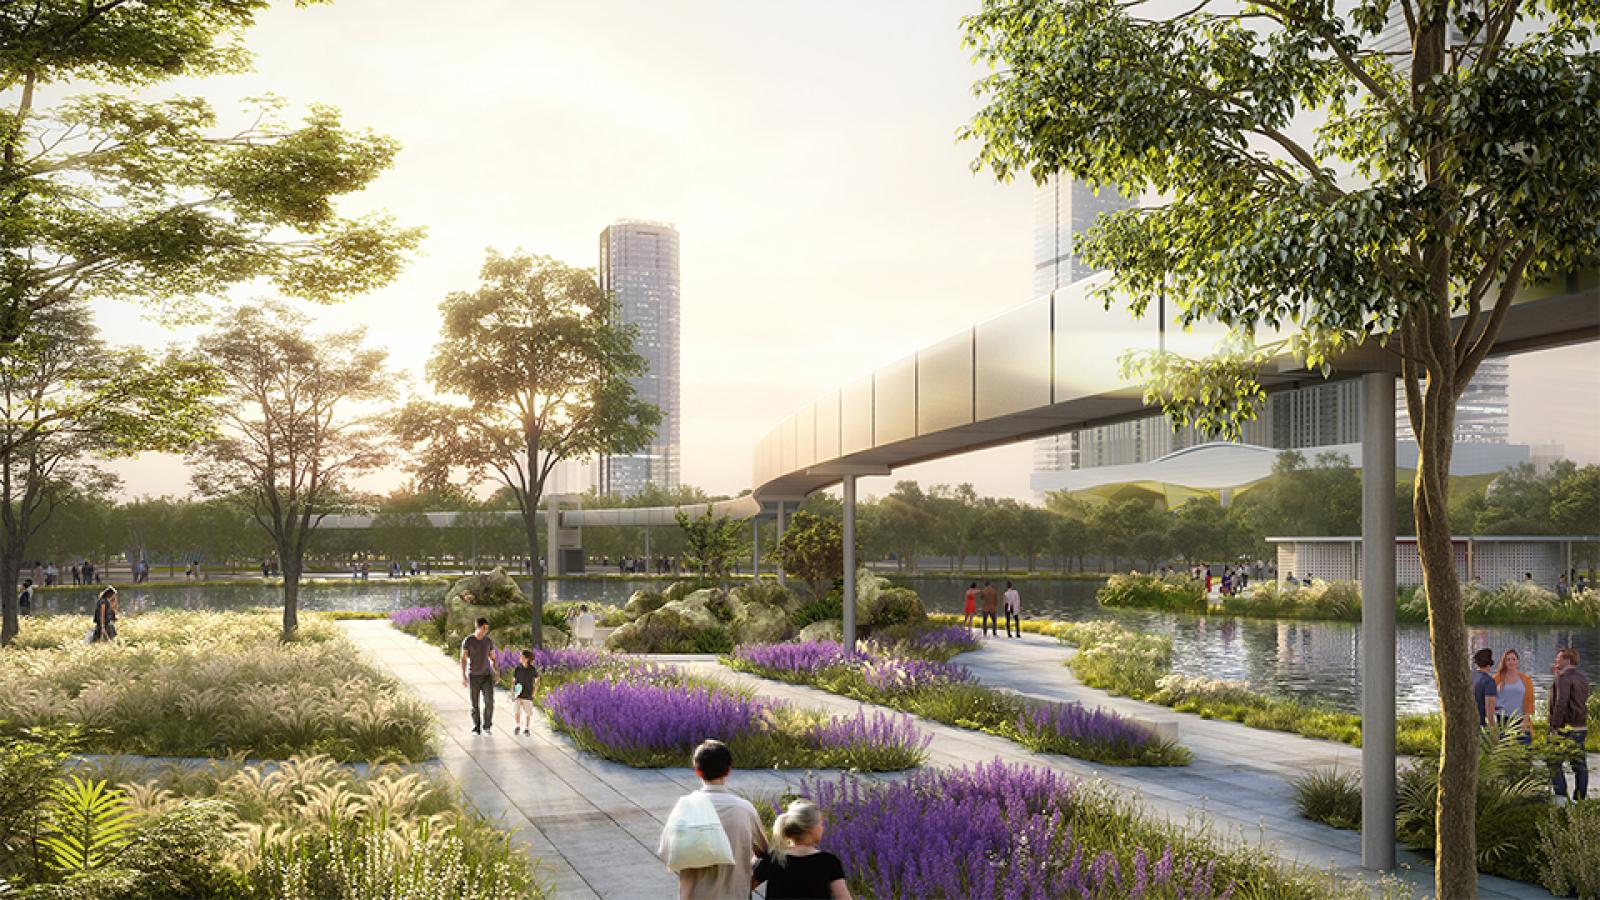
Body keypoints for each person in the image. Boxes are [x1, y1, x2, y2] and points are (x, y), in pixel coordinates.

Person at [658, 739, 766, 899]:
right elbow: (765, 850)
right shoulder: (745, 809)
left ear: (697, 771)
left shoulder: (685, 807)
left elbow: (666, 853)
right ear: (728, 771)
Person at [754, 799, 851, 900]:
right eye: (821, 824)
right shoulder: (828, 862)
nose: (822, 828)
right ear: (811, 829)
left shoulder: (774, 858)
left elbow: (744, 888)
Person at [1550, 647, 1590, 803]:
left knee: (1553, 762)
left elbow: (1561, 702)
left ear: (1567, 660)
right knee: (1580, 765)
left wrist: (1554, 726)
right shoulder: (1583, 678)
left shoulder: (1564, 678)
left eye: (1559, 658)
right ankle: (1580, 800)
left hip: (1565, 728)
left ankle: (1561, 799)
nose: (1556, 660)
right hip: (1581, 727)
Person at [460, 617, 499, 734]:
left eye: (487, 629)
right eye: (483, 628)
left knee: (489, 702)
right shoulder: (468, 641)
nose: (485, 631)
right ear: (477, 627)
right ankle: (476, 727)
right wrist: (463, 675)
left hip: (487, 676)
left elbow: (493, 658)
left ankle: (487, 726)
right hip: (474, 676)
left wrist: (496, 671)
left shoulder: (488, 641)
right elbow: (463, 659)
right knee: (474, 704)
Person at [1492, 648, 1534, 744]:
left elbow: (1530, 701)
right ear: (1504, 661)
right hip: (1501, 719)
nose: (1511, 662)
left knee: (1524, 747)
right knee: (1504, 750)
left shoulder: (1526, 680)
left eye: (1514, 659)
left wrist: (1525, 719)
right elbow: (1490, 700)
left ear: (1518, 661)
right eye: (1508, 659)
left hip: (1520, 718)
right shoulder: (1496, 679)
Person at [512, 649, 540, 736]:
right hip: (518, 693)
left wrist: (535, 691)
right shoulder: (517, 668)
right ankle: (517, 726)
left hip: (528, 694)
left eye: (522, 656)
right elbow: (513, 681)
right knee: (517, 711)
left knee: (528, 713)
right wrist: (513, 692)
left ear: (527, 659)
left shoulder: (532, 669)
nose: (520, 658)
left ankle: (527, 728)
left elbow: (538, 679)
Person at [1472, 647, 1498, 728]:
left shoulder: (1469, 676)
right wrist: (1495, 736)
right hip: (1481, 726)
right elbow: (1489, 714)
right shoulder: (1489, 681)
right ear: (1490, 662)